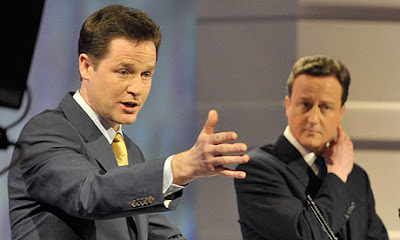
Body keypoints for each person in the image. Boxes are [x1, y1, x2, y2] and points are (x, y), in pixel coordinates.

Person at [8, 5, 249, 240]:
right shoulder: (46, 131)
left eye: (146, 74)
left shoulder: (129, 151)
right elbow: (89, 194)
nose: (136, 88)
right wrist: (179, 167)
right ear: (86, 66)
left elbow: (158, 233)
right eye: (124, 71)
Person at [234, 55, 388, 240]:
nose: (313, 118)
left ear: (341, 113)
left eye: (325, 107)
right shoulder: (256, 169)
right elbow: (305, 235)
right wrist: (337, 176)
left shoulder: (356, 177)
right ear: (288, 105)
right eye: (305, 105)